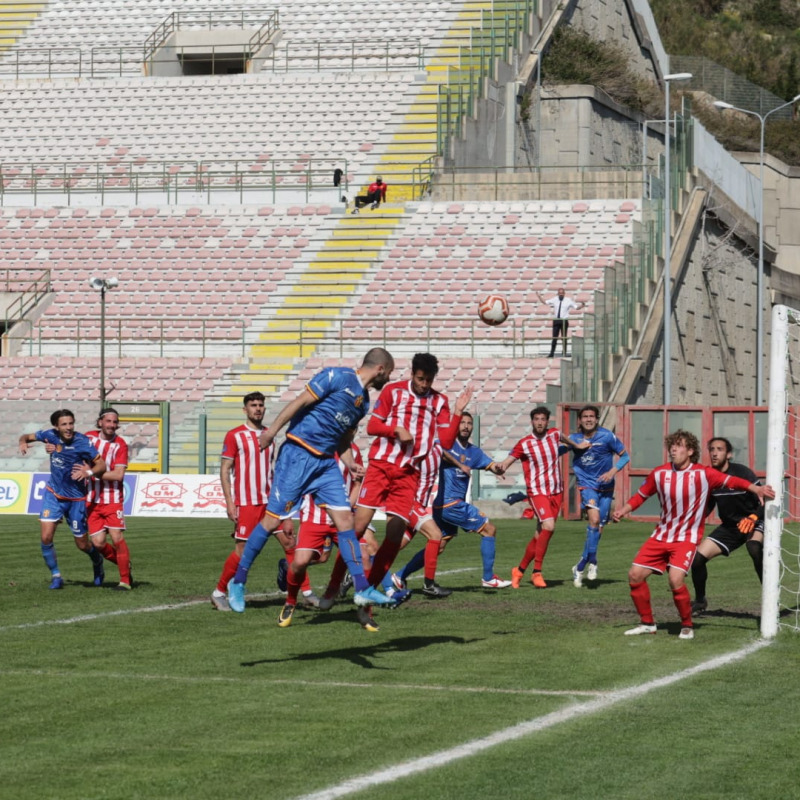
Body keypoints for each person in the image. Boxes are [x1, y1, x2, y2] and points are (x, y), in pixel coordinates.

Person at [226, 348, 397, 614]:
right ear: (380, 369)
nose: (388, 379)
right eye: (389, 374)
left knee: (345, 521)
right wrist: (272, 432)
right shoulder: (337, 376)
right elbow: (300, 401)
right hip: (298, 454)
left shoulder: (362, 402)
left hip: (326, 463)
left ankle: (362, 588)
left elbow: (344, 439)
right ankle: (238, 582)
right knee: (271, 521)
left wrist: (350, 464)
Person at [324, 353, 471, 632]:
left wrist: (458, 412)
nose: (424, 385)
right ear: (412, 373)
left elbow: (448, 440)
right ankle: (333, 585)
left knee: (393, 539)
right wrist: (396, 430)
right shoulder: (393, 391)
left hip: (409, 474)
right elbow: (373, 426)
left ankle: (365, 602)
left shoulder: (439, 402)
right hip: (381, 466)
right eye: (420, 379)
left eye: (428, 380)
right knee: (357, 528)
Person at [612, 429, 774, 639]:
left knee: (675, 579)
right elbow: (641, 495)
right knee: (634, 575)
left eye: (678, 445)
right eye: (671, 445)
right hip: (661, 535)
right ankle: (647, 623)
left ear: (690, 451)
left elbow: (732, 481)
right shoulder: (659, 473)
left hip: (686, 538)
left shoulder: (704, 473)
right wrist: (623, 510)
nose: (673, 449)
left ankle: (687, 625)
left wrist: (756, 489)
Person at [211, 392, 312, 611]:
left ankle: (307, 593)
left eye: (261, 405)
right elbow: (225, 469)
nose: (258, 408)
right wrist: (230, 502)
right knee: (243, 550)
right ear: (245, 409)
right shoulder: (234, 436)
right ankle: (219, 592)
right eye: (253, 405)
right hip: (247, 502)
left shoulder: (270, 435)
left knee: (289, 542)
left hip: (271, 502)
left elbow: (275, 471)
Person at [278, 442, 372, 627]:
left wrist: (345, 507)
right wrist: (287, 516)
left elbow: (357, 483)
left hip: (341, 519)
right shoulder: (312, 447)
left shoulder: (352, 450)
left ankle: (364, 611)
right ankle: (290, 602)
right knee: (299, 563)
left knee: (364, 556)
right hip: (314, 518)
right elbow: (293, 482)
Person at [499, 406, 587, 588]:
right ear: (532, 421)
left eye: (543, 419)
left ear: (548, 422)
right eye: (536, 419)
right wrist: (499, 468)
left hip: (556, 491)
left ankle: (519, 570)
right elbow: (507, 461)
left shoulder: (555, 434)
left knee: (541, 534)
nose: (539, 422)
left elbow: (565, 439)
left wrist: (577, 445)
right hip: (538, 492)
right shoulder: (524, 443)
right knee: (549, 526)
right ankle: (536, 572)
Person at [19, 409, 107, 589]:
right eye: (64, 424)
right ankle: (56, 576)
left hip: (76, 499)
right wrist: (23, 443)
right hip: (54, 494)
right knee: (45, 537)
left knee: (82, 544)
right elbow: (25, 436)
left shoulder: (82, 442)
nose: (68, 428)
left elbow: (102, 465)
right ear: (56, 427)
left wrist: (88, 471)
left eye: (71, 423)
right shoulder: (48, 435)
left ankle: (97, 561)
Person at [691, 437, 766, 614]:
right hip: (730, 528)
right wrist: (693, 523)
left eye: (720, 449)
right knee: (697, 560)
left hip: (754, 521)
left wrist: (754, 517)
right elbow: (708, 505)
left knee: (754, 548)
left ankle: (770, 595)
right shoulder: (710, 477)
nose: (715, 453)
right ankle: (700, 601)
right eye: (712, 449)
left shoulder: (742, 472)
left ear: (729, 454)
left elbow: (764, 500)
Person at [567, 405, 630, 587]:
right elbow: (557, 449)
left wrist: (613, 471)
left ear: (597, 419)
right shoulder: (574, 439)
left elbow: (625, 457)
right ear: (579, 420)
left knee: (598, 529)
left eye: (591, 416)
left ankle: (579, 565)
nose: (588, 419)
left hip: (607, 487)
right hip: (587, 485)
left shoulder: (607, 436)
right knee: (593, 520)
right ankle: (593, 561)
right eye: (585, 416)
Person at [85, 408, 134, 591]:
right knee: (98, 543)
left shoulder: (120, 444)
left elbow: (118, 475)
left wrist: (91, 473)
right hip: (92, 500)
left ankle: (125, 580)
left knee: (116, 537)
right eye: (108, 421)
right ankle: (125, 564)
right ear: (100, 423)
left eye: (115, 422)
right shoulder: (88, 438)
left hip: (113, 499)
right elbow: (70, 448)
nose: (112, 425)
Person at [538, 288, 584, 358]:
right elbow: (545, 302)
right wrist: (539, 296)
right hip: (556, 320)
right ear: (558, 293)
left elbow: (576, 307)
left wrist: (582, 305)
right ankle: (552, 353)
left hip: (564, 320)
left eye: (562, 293)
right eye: (560, 293)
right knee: (554, 337)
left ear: (564, 293)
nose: (561, 294)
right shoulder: (555, 299)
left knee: (564, 337)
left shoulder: (568, 300)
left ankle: (564, 352)